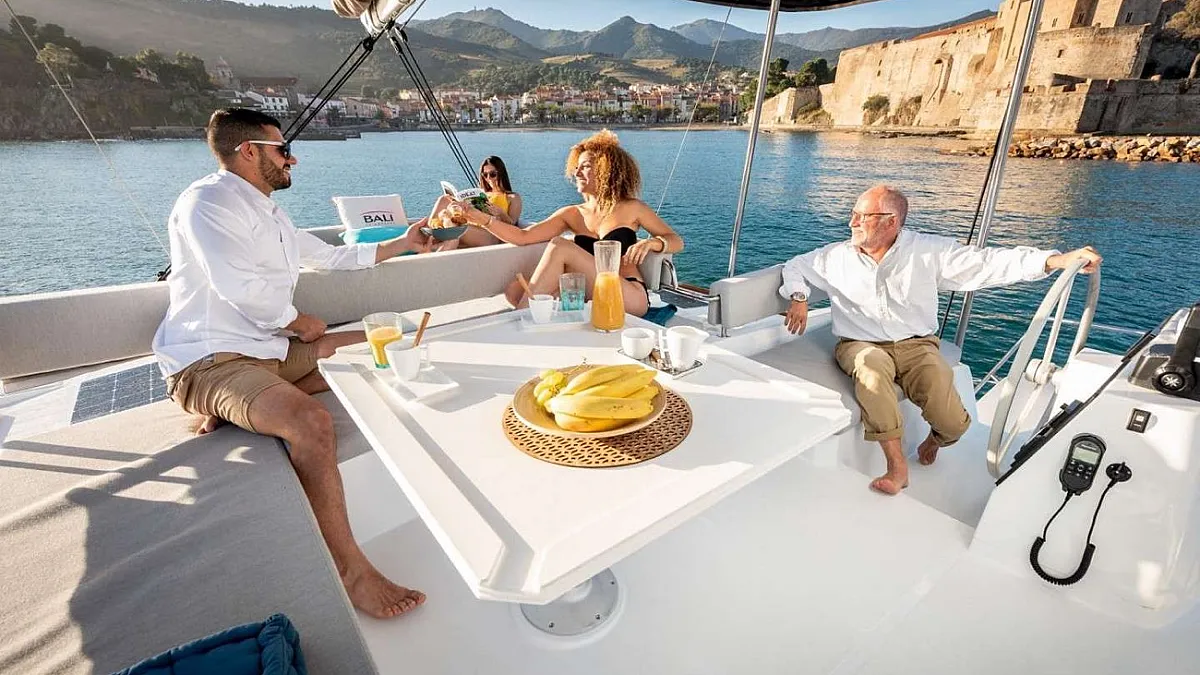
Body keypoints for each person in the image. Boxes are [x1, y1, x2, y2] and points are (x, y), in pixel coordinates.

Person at [152, 108, 429, 619]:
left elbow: (332, 256)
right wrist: (298, 321)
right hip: (211, 359)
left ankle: (246, 409)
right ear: (248, 151)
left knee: (379, 343)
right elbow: (238, 287)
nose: (291, 159)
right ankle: (350, 570)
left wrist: (404, 243)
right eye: (282, 150)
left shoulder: (271, 214)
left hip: (268, 353)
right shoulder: (207, 202)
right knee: (312, 422)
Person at [779, 185, 1102, 496]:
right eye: (853, 214)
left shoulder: (927, 251)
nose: (852, 223)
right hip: (859, 343)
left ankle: (935, 439)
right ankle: (896, 467)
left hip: (917, 345)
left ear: (891, 222)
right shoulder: (835, 256)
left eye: (863, 216)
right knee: (871, 370)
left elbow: (988, 262)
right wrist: (799, 297)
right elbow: (795, 267)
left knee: (953, 423)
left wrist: (1054, 260)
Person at [449, 130, 683, 316]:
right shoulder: (572, 213)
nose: (577, 173)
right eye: (577, 167)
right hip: (591, 294)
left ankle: (519, 319)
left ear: (607, 170)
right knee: (515, 289)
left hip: (627, 294)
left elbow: (676, 241)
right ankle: (536, 313)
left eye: (586, 166)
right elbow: (522, 236)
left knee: (560, 246)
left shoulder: (632, 208)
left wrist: (653, 243)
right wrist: (479, 218)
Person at [425, 156, 523, 250]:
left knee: (455, 228)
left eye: (493, 174)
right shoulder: (482, 194)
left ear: (501, 173)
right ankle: (434, 229)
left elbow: (513, 228)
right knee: (444, 199)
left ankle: (439, 239)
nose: (489, 178)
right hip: (472, 227)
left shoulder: (512, 197)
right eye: (485, 175)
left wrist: (501, 213)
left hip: (490, 233)